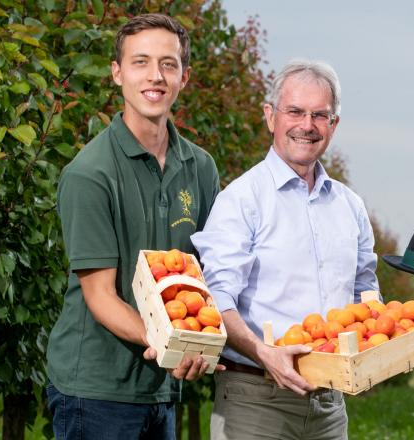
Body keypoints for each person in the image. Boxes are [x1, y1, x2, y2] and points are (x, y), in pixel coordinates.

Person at [45, 13, 220, 439]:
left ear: (184, 76)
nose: (155, 76)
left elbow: (208, 275)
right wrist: (172, 344)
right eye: (140, 62)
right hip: (96, 390)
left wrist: (200, 341)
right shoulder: (91, 173)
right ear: (117, 72)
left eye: (168, 64)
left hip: (161, 388)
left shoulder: (200, 167)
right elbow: (100, 296)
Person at [192, 59, 378, 440]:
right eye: (294, 111)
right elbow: (217, 298)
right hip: (256, 400)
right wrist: (263, 352)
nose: (306, 126)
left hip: (329, 405)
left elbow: (366, 292)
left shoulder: (350, 207)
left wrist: (378, 349)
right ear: (270, 116)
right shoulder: (242, 199)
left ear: (334, 125)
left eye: (320, 115)